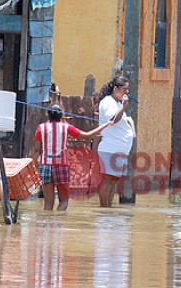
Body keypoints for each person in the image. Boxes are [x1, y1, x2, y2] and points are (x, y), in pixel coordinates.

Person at [32, 104, 111, 211]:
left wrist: (34, 166)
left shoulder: (41, 128)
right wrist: (105, 125)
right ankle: (58, 225)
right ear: (61, 115)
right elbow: (88, 135)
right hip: (62, 167)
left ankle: (46, 225)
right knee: (63, 202)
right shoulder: (66, 127)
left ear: (48, 114)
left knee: (48, 205)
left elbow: (37, 150)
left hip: (45, 166)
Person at [97, 76, 135, 208]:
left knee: (114, 180)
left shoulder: (117, 103)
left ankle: (108, 208)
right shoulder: (108, 102)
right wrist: (124, 106)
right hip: (110, 148)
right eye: (125, 89)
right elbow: (113, 119)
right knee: (107, 179)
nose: (127, 92)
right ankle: (104, 208)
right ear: (115, 89)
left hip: (119, 149)